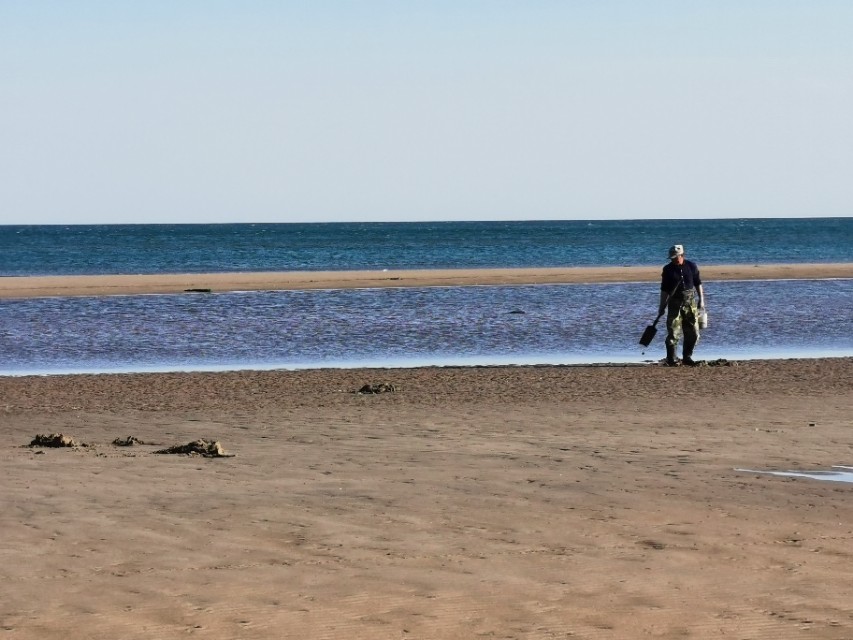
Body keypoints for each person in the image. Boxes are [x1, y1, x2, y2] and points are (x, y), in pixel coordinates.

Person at [658, 244, 704, 366]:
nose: (673, 260)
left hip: (690, 303)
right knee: (673, 332)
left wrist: (701, 300)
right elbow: (664, 290)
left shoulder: (691, 266)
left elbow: (698, 283)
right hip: (674, 303)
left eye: (675, 257)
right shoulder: (667, 269)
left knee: (693, 333)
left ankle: (687, 357)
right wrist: (661, 307)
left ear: (682, 255)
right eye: (671, 258)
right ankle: (672, 359)